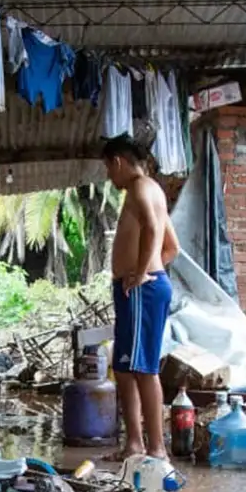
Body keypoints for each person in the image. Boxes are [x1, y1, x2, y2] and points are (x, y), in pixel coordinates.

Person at [102, 135, 180, 460]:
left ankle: (157, 449)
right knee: (123, 367)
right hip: (137, 290)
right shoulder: (151, 189)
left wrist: (142, 272)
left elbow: (151, 227)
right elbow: (171, 246)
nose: (109, 177)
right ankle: (134, 443)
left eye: (108, 168)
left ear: (117, 162)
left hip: (141, 290)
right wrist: (149, 267)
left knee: (144, 368)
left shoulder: (139, 187)